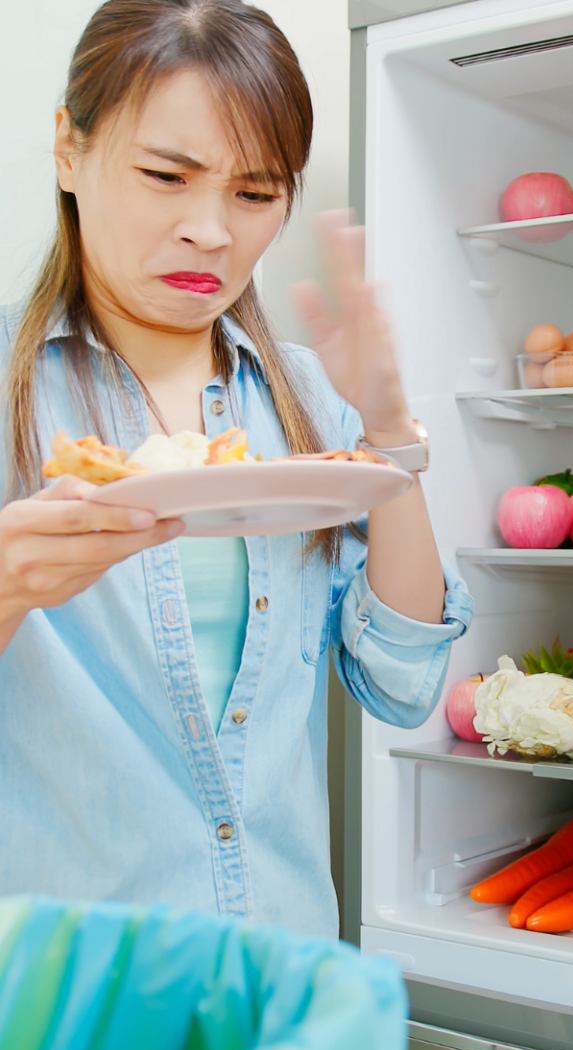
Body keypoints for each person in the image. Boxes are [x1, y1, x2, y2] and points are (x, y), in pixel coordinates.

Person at [0, 0, 472, 937]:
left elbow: (401, 683)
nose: (211, 232)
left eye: (255, 194)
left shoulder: (301, 401)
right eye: (165, 176)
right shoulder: (20, 397)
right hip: (71, 998)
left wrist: (386, 431)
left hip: (279, 967)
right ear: (68, 148)